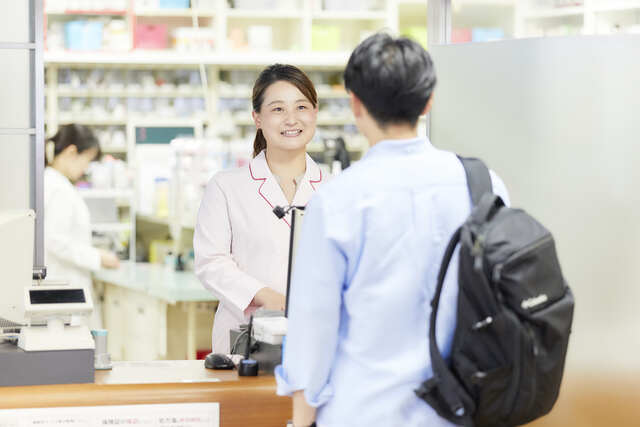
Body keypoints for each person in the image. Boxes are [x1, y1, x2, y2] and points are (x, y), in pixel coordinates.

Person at [275, 33, 511, 427]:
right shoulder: (484, 185)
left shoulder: (336, 201)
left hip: (363, 412)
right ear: (428, 101)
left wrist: (301, 420)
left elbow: (313, 328)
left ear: (356, 104)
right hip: (460, 411)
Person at [194, 64, 325, 354]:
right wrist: (270, 298)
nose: (291, 119)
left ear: (315, 113)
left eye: (301, 107)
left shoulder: (335, 189)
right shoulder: (226, 187)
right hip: (245, 337)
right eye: (278, 109)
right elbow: (210, 262)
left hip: (317, 335)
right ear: (257, 118)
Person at [44, 124, 120, 329]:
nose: (86, 169)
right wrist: (98, 256)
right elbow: (55, 240)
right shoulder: (58, 189)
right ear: (71, 152)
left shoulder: (53, 183)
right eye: (87, 160)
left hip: (61, 292)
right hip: (63, 291)